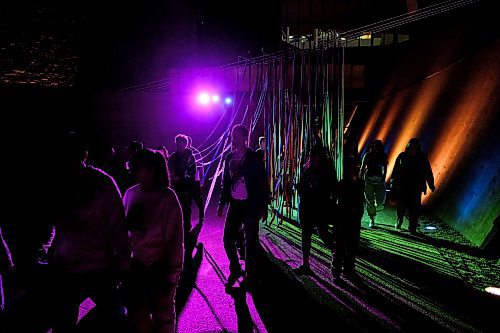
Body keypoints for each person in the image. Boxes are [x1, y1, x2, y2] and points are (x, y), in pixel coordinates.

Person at [49, 132, 131, 332]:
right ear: (84, 154)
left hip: (68, 265)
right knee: (115, 319)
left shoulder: (56, 182)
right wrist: (124, 262)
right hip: (99, 264)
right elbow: (119, 225)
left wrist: (51, 250)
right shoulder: (102, 182)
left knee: (64, 323)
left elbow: (49, 224)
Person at [124, 148, 183, 333]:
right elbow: (123, 233)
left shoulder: (167, 197)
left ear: (151, 170)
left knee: (163, 318)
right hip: (137, 267)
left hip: (161, 268)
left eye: (138, 168)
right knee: (138, 316)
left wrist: (172, 275)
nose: (134, 172)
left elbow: (175, 240)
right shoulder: (130, 194)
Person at [218, 125, 268, 290]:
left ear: (245, 137)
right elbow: (225, 181)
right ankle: (235, 268)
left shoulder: (253, 157)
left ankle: (250, 275)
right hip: (235, 204)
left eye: (237, 135)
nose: (234, 138)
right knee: (227, 239)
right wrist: (221, 203)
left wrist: (263, 206)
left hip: (250, 204)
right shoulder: (229, 157)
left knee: (250, 241)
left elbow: (262, 182)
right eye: (233, 135)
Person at [295, 144, 336, 275]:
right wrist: (300, 188)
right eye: (311, 155)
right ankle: (305, 264)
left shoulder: (328, 169)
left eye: (314, 155)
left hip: (320, 205)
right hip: (307, 205)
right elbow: (302, 182)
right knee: (306, 234)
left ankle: (336, 251)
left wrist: (316, 189)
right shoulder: (308, 167)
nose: (312, 158)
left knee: (322, 232)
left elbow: (331, 188)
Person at [391, 138, 435, 233]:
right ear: (408, 147)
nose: (413, 149)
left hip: (416, 186)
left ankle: (412, 227)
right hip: (403, 185)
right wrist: (393, 180)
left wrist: (431, 183)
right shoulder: (402, 156)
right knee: (401, 205)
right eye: (411, 147)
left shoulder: (422, 158)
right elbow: (396, 169)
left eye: (415, 147)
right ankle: (400, 219)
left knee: (415, 208)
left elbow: (427, 171)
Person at [333, 155, 364, 278]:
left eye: (358, 166)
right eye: (354, 167)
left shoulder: (360, 183)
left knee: (352, 245)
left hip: (354, 219)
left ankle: (348, 268)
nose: (356, 169)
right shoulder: (341, 184)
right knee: (340, 245)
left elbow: (360, 201)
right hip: (343, 218)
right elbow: (336, 201)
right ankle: (337, 269)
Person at [167, 134, 196, 264]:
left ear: (186, 144)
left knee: (186, 209)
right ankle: (179, 233)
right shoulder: (173, 157)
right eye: (178, 143)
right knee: (176, 210)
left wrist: (185, 178)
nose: (179, 145)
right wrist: (174, 178)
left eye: (181, 143)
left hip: (186, 187)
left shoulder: (190, 156)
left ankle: (187, 233)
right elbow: (169, 170)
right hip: (176, 188)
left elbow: (193, 171)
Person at [360, 140, 388, 228]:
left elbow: (385, 167)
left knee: (380, 201)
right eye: (374, 146)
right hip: (369, 179)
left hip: (379, 179)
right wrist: (360, 179)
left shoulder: (383, 155)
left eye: (378, 146)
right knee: (369, 200)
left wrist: (384, 177)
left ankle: (374, 211)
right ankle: (372, 219)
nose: (376, 148)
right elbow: (362, 167)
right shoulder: (367, 155)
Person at [186, 136, 205, 225]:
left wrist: (202, 177)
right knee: (187, 200)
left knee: (198, 199)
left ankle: (201, 215)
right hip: (186, 181)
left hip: (195, 180)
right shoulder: (182, 153)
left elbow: (201, 165)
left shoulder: (195, 152)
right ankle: (187, 220)